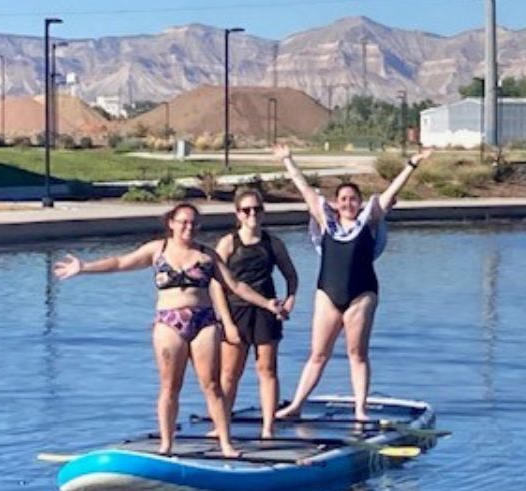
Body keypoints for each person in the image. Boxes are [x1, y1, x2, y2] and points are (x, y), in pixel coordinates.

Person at [53, 202, 286, 457]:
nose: (189, 227)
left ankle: (226, 443)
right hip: (169, 322)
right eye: (183, 222)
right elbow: (121, 262)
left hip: (204, 321)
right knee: (169, 386)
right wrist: (84, 268)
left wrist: (267, 304)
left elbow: (236, 286)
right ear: (171, 223)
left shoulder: (207, 255)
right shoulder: (157, 250)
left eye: (194, 223)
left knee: (212, 385)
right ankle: (166, 443)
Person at [273, 143, 431, 421]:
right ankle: (296, 405)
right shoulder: (326, 221)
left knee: (356, 353)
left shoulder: (369, 220)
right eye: (343, 199)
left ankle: (360, 409)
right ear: (336, 203)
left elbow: (392, 192)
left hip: (362, 295)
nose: (348, 203)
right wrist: (288, 160)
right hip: (328, 294)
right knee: (318, 354)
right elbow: (305, 190)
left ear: (360, 202)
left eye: (353, 199)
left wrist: (412, 164)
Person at [211, 188, 299, 439]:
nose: (252, 215)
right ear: (238, 214)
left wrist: (290, 300)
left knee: (267, 368)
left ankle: (268, 428)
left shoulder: (273, 243)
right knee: (229, 373)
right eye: (247, 210)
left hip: (266, 310)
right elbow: (217, 284)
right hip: (235, 311)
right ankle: (221, 425)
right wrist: (226, 321)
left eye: (257, 209)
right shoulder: (228, 243)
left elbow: (291, 276)